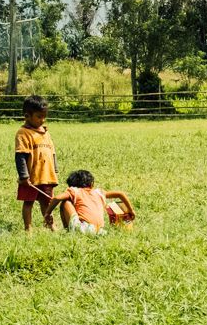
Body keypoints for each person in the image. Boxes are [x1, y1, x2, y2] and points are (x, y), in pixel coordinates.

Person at [15, 95, 58, 231]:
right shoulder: (23, 133)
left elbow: (52, 152)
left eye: (44, 116)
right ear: (27, 116)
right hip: (31, 177)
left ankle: (50, 225)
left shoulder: (46, 133)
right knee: (29, 203)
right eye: (39, 117)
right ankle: (28, 228)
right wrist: (24, 176)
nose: (42, 120)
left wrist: (54, 169)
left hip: (46, 175)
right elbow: (20, 156)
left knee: (47, 202)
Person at [52, 169, 135, 234]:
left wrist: (47, 214)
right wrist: (131, 211)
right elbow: (120, 194)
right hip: (100, 231)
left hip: (84, 229)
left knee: (65, 202)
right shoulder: (99, 193)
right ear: (91, 184)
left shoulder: (75, 191)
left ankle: (68, 231)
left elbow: (57, 198)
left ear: (72, 186)